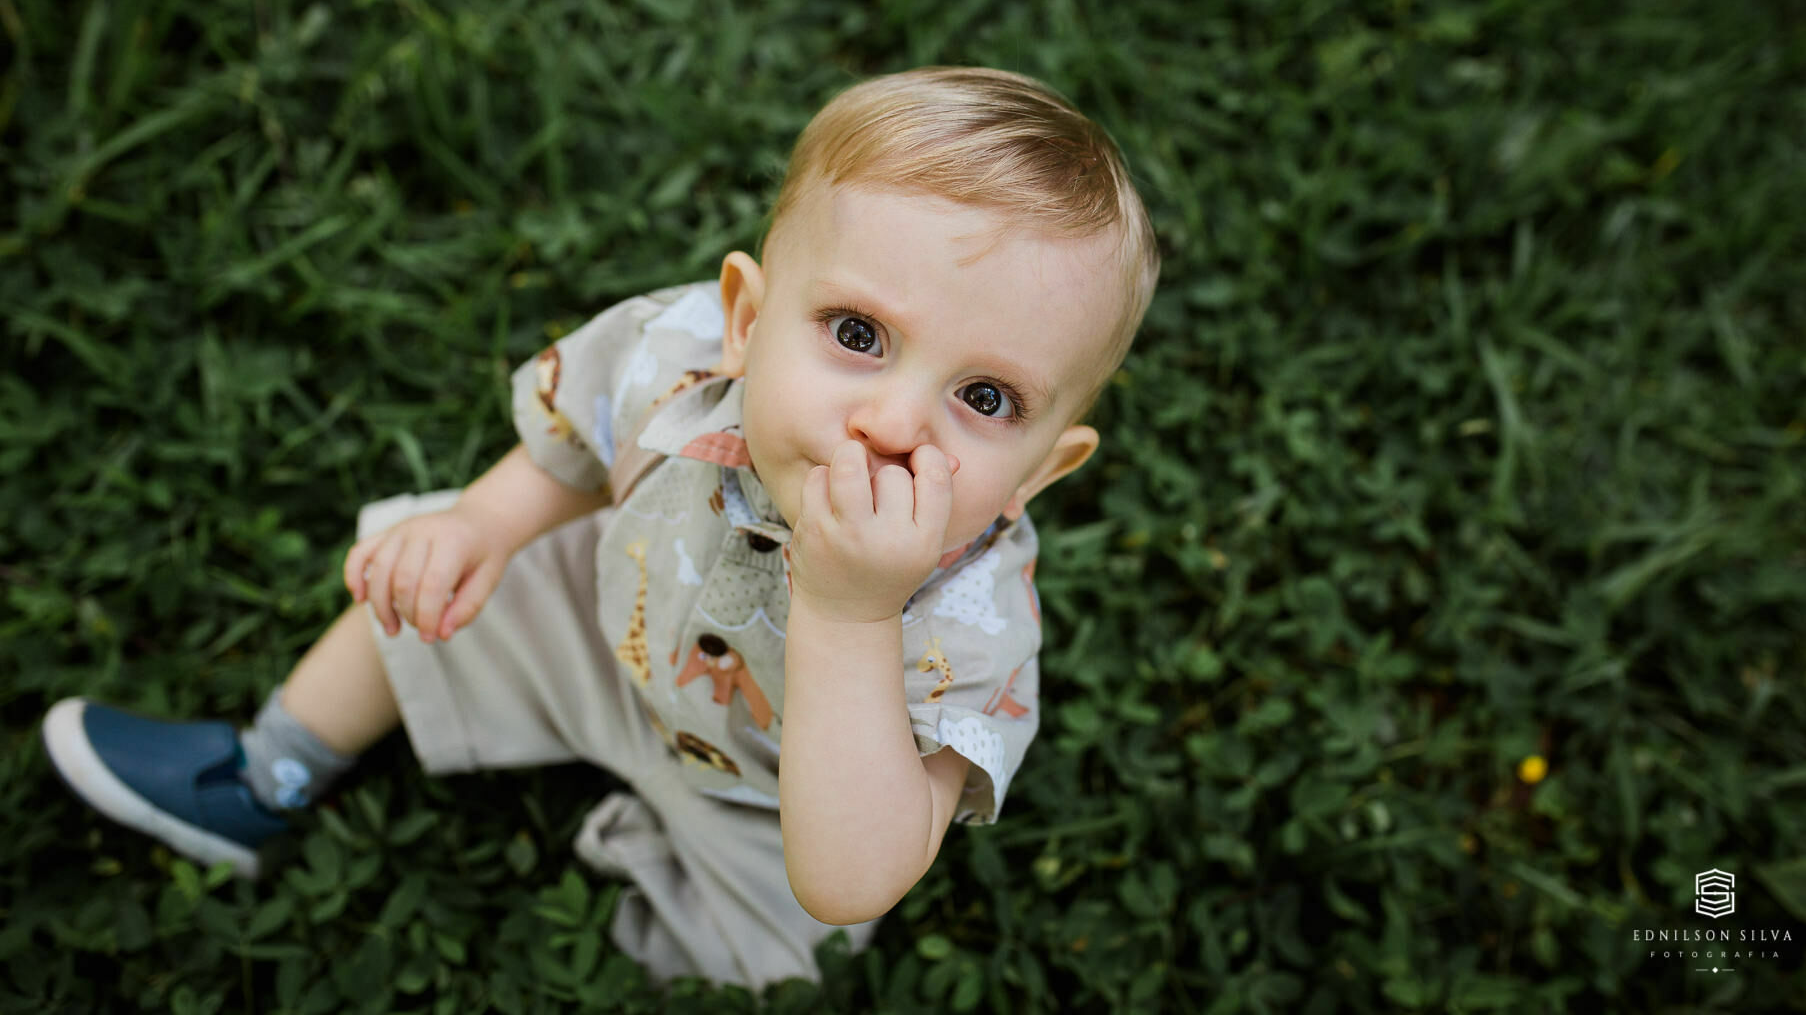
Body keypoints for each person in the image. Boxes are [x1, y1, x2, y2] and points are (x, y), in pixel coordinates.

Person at [40, 66, 1160, 989]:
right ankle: (266, 773)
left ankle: (622, 916)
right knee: (434, 588)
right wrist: (482, 522)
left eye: (987, 399)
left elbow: (855, 872)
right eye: (859, 332)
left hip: (762, 802)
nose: (896, 419)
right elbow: (577, 435)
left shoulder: (975, 630)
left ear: (1039, 472)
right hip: (606, 615)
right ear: (748, 318)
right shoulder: (679, 347)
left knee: (774, 954)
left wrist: (851, 603)